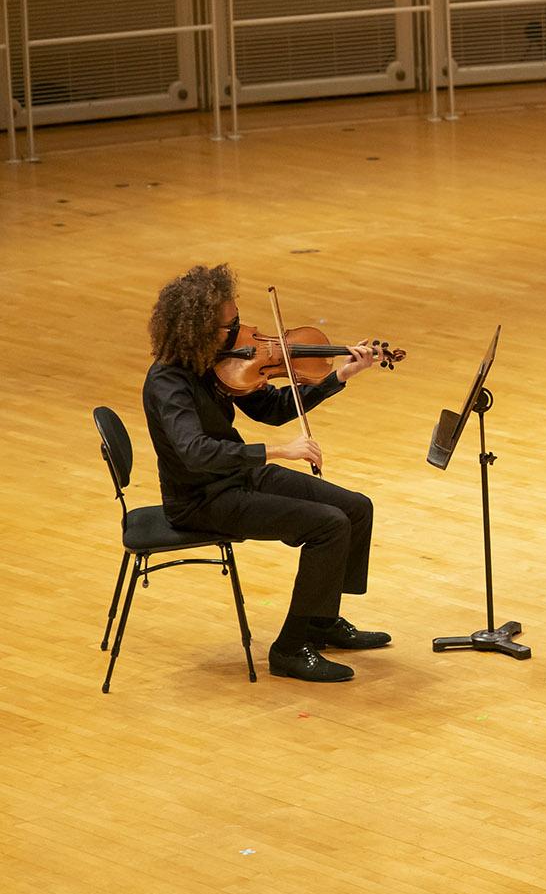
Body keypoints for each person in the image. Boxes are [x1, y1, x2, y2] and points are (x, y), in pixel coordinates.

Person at [142, 264, 389, 683]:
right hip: (202, 499)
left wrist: (338, 377)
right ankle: (290, 649)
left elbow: (272, 409)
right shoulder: (169, 383)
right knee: (328, 525)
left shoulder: (214, 366)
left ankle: (320, 621)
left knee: (355, 507)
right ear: (198, 330)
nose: (239, 331)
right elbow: (196, 453)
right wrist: (279, 452)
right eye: (229, 325)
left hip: (237, 477)